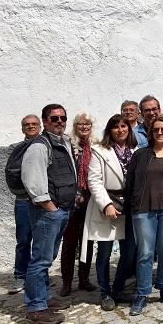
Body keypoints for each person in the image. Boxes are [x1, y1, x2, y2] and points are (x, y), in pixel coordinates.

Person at [21, 104, 76, 324]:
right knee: (40, 260)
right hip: (48, 211)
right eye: (54, 118)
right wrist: (49, 206)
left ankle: (44, 297)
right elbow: (32, 180)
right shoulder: (39, 146)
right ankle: (36, 308)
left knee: (47, 257)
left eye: (63, 117)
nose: (60, 121)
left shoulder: (63, 142)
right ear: (45, 121)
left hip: (62, 209)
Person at [126, 115, 163, 315]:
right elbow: (131, 181)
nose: (160, 133)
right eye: (156, 130)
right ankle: (142, 293)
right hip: (143, 209)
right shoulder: (140, 155)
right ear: (150, 133)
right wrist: (132, 204)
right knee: (145, 253)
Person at [84, 114, 138, 310]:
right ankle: (105, 292)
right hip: (107, 205)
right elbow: (94, 181)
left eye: (124, 126)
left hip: (130, 207)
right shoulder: (99, 150)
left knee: (129, 252)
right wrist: (106, 204)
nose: (121, 130)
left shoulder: (136, 150)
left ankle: (118, 288)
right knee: (105, 253)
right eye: (116, 127)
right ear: (109, 130)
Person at [59, 112, 97, 297]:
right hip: (72, 200)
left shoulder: (95, 145)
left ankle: (84, 278)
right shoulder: (69, 144)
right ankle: (66, 281)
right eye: (81, 124)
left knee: (87, 242)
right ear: (75, 126)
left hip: (90, 199)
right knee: (69, 242)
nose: (84, 127)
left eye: (87, 124)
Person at [7, 114, 41, 295]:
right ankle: (20, 276)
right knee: (23, 240)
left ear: (40, 126)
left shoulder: (47, 145)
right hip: (23, 200)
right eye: (27, 124)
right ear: (22, 128)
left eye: (34, 124)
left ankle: (38, 277)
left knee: (41, 241)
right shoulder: (15, 148)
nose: (30, 126)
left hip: (43, 200)